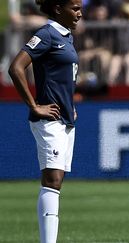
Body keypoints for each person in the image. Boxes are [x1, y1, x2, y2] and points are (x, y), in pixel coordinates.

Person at [8, 0, 82, 242]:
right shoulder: (47, 34)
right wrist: (33, 105)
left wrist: (69, 106)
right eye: (75, 8)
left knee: (56, 181)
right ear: (59, 8)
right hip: (49, 120)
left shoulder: (66, 36)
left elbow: (61, 79)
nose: (80, 13)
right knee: (52, 180)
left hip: (64, 119)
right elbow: (16, 68)